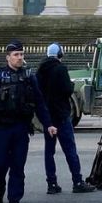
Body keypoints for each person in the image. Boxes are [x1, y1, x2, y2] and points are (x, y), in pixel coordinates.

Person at [0, 41, 57, 203]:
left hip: (21, 129)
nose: (20, 58)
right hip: (1, 129)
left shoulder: (29, 77)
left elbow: (39, 103)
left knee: (18, 168)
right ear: (8, 57)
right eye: (16, 55)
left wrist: (48, 124)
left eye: (22, 54)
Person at [35, 43, 95, 195]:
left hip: (48, 118)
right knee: (70, 150)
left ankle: (52, 184)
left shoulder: (40, 70)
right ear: (60, 54)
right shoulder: (60, 69)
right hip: (61, 115)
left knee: (49, 152)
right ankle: (77, 181)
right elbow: (68, 90)